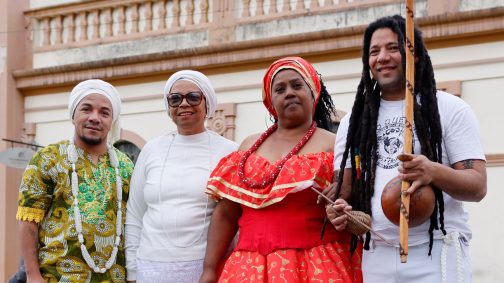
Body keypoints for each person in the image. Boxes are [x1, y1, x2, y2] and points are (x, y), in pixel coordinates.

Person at [326, 15, 487, 282]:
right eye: (374, 51)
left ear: (416, 55)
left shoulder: (450, 108)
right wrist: (338, 209)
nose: (382, 57)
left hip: (437, 251)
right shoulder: (352, 123)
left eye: (393, 48)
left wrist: (432, 171)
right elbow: (345, 193)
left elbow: (478, 186)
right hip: (376, 252)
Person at [200, 57, 362, 283]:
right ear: (270, 101)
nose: (289, 93)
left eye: (297, 85)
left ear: (314, 93)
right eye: (280, 89)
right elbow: (226, 213)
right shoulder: (248, 146)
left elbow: (356, 199)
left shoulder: (335, 145)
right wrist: (209, 268)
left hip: (316, 264)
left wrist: (344, 196)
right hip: (248, 268)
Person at [125, 70, 238, 283]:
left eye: (193, 97)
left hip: (206, 270)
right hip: (150, 268)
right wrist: (132, 271)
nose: (184, 104)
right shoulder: (151, 149)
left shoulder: (230, 151)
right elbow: (135, 213)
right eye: (175, 99)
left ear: (207, 104)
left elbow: (235, 217)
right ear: (169, 107)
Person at [16, 79, 134, 282]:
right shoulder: (47, 159)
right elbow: (28, 221)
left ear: (112, 121)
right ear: (73, 115)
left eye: (104, 113)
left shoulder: (125, 166)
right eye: (86, 109)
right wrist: (32, 274)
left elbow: (134, 225)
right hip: (57, 277)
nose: (95, 118)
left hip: (114, 277)